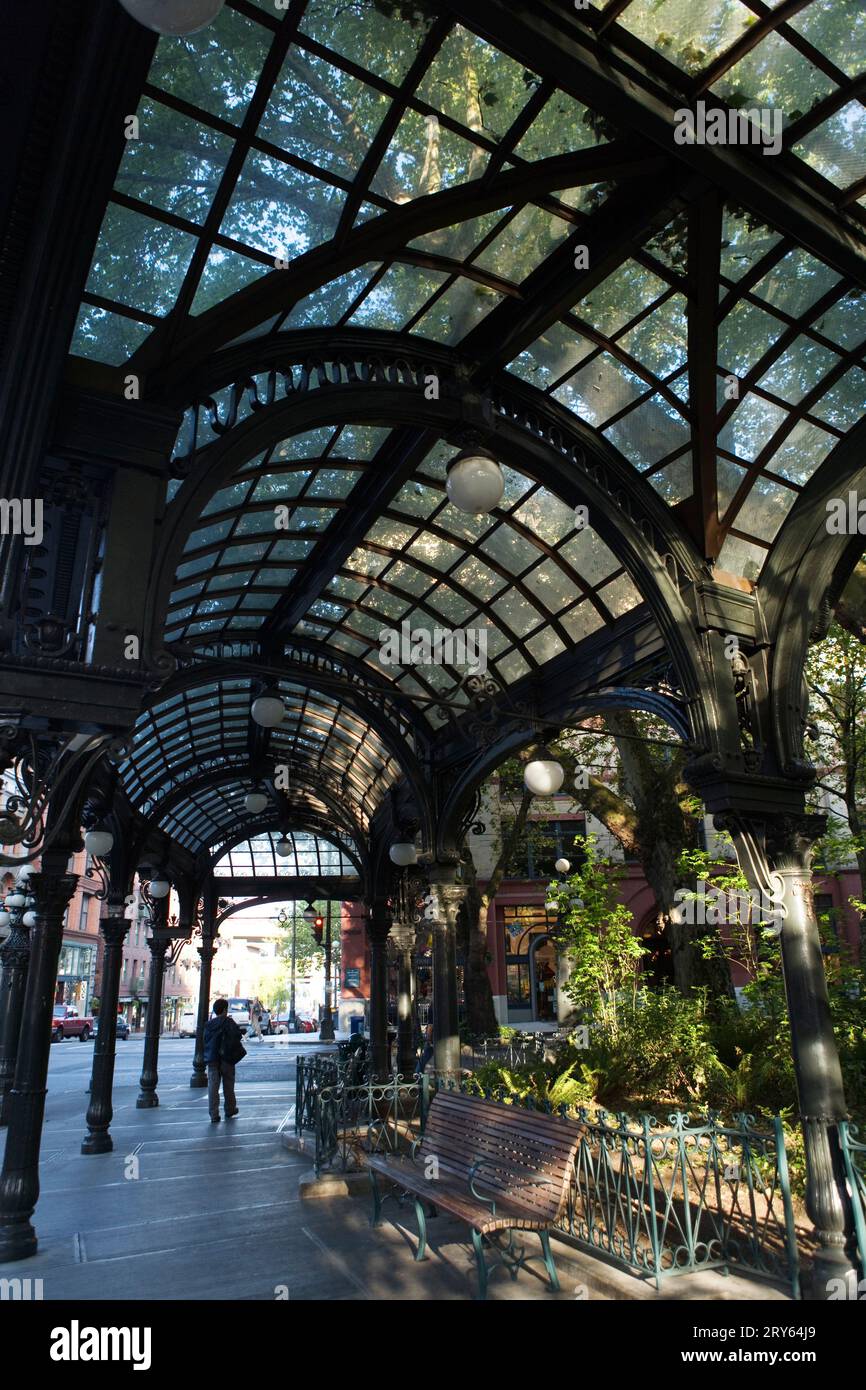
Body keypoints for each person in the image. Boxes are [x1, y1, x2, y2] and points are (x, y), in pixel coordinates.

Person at [204, 998, 245, 1123]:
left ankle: (214, 1114)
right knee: (228, 1086)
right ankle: (230, 1109)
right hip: (226, 1059)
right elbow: (237, 1036)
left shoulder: (208, 1025)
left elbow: (205, 1041)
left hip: (212, 1060)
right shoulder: (228, 1022)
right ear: (225, 1010)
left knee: (213, 1088)